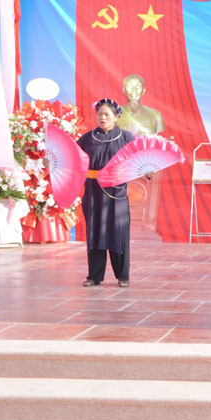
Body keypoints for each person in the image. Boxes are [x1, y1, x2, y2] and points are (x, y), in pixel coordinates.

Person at [78, 98, 136, 287]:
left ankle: (123, 276)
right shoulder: (87, 138)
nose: (102, 117)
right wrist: (53, 161)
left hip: (116, 192)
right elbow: (73, 158)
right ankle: (94, 276)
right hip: (93, 193)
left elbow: (138, 160)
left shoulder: (126, 138)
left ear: (116, 117)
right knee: (95, 232)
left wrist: (148, 171)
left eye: (106, 114)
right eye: (99, 114)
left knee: (119, 231)